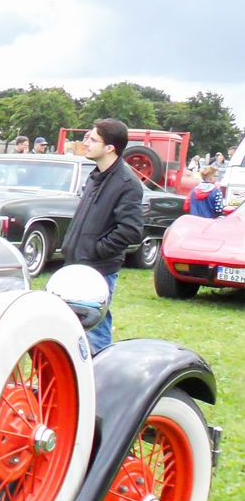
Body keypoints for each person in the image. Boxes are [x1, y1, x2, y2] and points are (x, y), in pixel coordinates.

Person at [67, 118, 143, 353]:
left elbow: (130, 230)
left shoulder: (127, 183)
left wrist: (96, 250)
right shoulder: (95, 176)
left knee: (95, 329)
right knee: (71, 328)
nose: (86, 142)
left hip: (98, 270)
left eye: (92, 139)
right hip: (76, 265)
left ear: (110, 148)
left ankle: (98, 380)